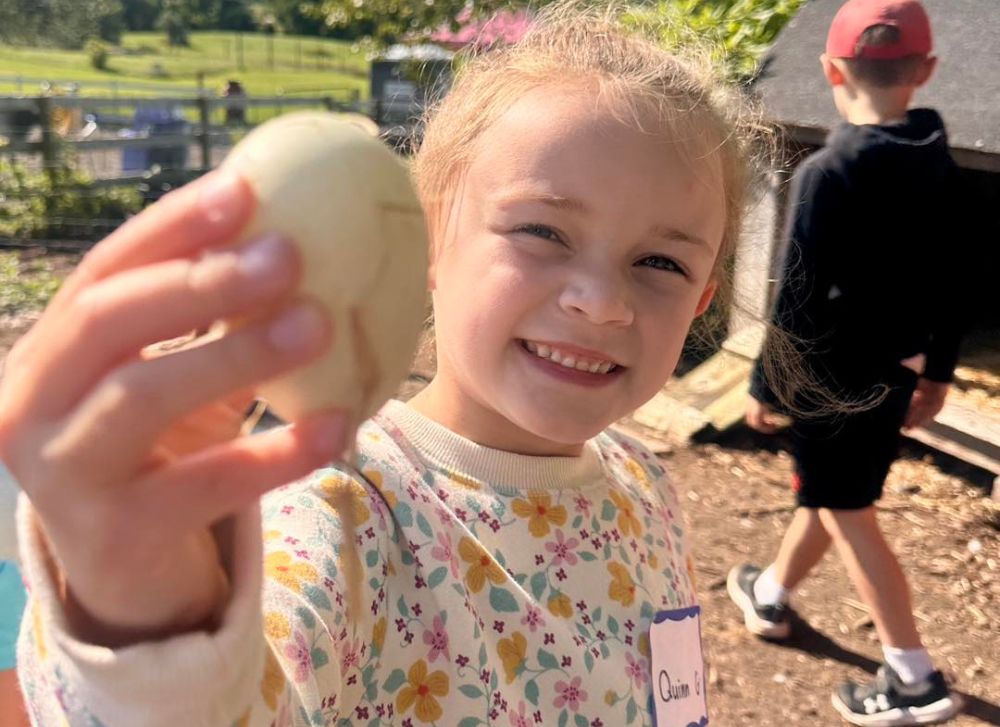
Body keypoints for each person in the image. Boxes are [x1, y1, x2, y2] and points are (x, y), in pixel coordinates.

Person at [3, 5, 769, 725]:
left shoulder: (645, 487)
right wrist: (151, 621)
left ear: (704, 297)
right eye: (543, 230)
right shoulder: (343, 515)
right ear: (424, 240)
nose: (603, 302)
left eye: (661, 262)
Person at [727, 1, 964, 725]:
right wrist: (939, 371)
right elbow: (956, 276)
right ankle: (771, 594)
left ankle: (913, 675)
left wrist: (769, 382)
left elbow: (796, 292)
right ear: (925, 71)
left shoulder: (829, 171)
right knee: (838, 493)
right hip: (895, 371)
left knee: (848, 507)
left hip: (830, 375)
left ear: (831, 70)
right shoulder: (940, 163)